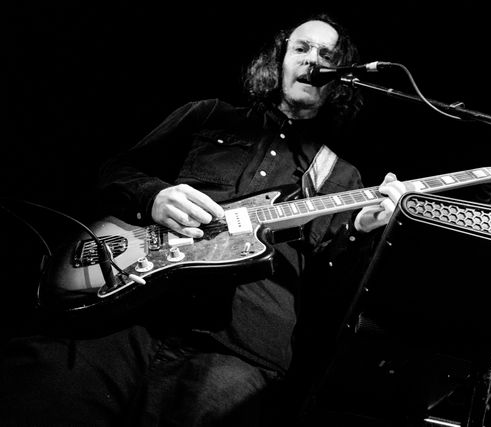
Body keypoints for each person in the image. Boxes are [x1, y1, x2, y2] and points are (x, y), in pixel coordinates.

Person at [0, 13, 409, 426]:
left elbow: (330, 288)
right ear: (279, 60)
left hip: (235, 352)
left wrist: (362, 231)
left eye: (326, 54)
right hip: (121, 317)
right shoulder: (209, 115)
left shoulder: (341, 176)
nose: (312, 60)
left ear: (341, 76)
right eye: (301, 48)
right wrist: (153, 197)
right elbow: (113, 172)